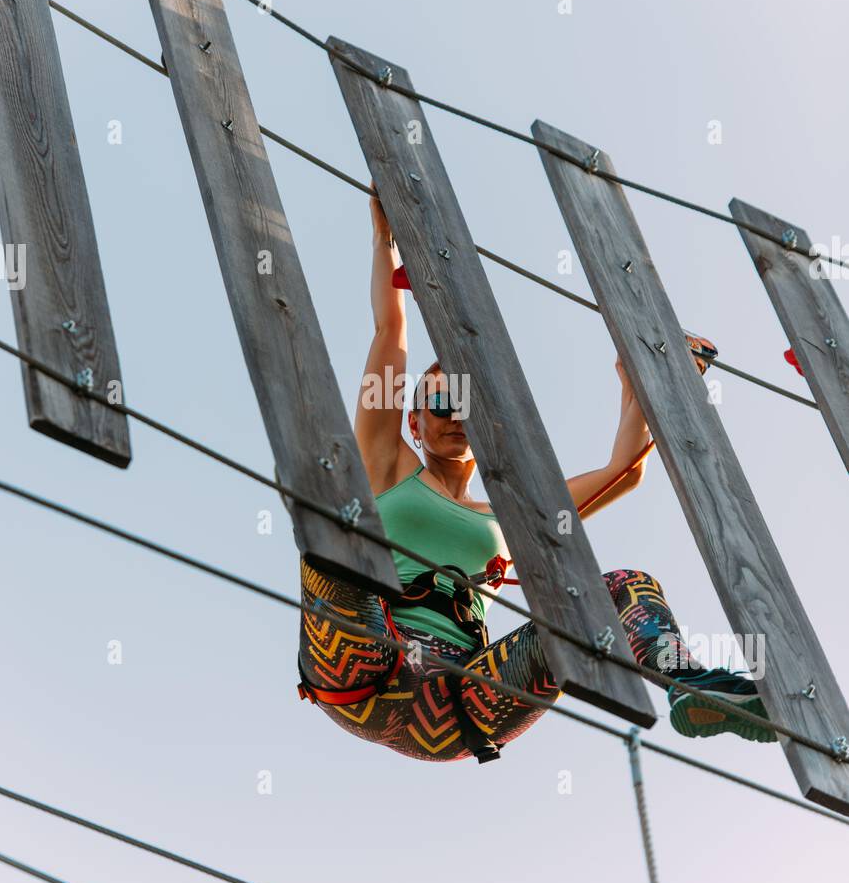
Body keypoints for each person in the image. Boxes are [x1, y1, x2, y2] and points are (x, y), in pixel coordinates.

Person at [296, 187, 774, 763]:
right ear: (413, 423)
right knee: (332, 535)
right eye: (441, 402)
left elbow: (622, 471)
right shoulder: (388, 465)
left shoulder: (512, 517)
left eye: (469, 406)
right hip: (365, 663)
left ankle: (694, 686)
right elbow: (389, 339)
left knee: (622, 586)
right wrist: (385, 242)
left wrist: (644, 382)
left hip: (457, 705)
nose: (456, 416)